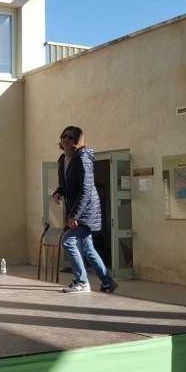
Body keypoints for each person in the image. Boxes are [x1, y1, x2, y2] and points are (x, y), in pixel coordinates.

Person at [51, 126, 117, 294]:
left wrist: (74, 215)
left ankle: (82, 282)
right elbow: (65, 184)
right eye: (64, 136)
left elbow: (86, 189)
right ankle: (108, 282)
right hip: (78, 210)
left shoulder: (82, 158)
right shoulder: (63, 159)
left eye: (71, 137)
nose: (66, 139)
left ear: (77, 141)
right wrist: (58, 192)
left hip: (87, 212)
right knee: (88, 248)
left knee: (68, 241)